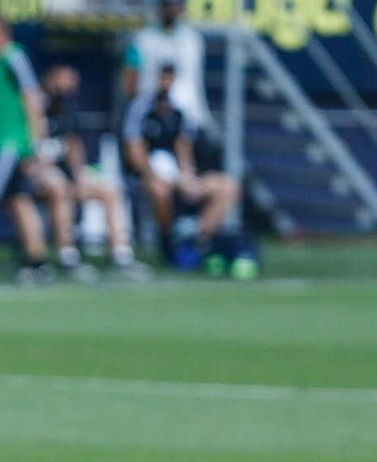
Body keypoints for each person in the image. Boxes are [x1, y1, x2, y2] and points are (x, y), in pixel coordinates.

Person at [0, 12, 78, 285]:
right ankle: (38, 262)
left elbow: (32, 99)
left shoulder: (14, 56)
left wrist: (36, 145)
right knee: (17, 200)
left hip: (10, 143)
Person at [39, 65, 150, 280]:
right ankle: (67, 256)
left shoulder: (67, 107)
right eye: (62, 80)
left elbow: (72, 144)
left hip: (64, 173)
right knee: (58, 187)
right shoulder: (33, 104)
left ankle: (121, 255)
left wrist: (79, 175)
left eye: (71, 83)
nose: (66, 87)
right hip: (37, 175)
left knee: (109, 190)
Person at [123, 65, 239, 266]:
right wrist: (151, 175)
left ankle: (198, 241)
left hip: (177, 172)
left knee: (228, 186)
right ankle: (168, 242)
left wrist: (187, 176)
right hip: (150, 174)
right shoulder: (141, 108)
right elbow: (135, 150)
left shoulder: (181, 110)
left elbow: (183, 147)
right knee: (159, 191)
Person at [122, 0, 213, 134]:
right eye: (168, 4)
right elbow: (129, 81)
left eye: (176, 4)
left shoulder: (192, 40)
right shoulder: (141, 39)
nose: (172, 8)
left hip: (186, 116)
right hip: (150, 115)